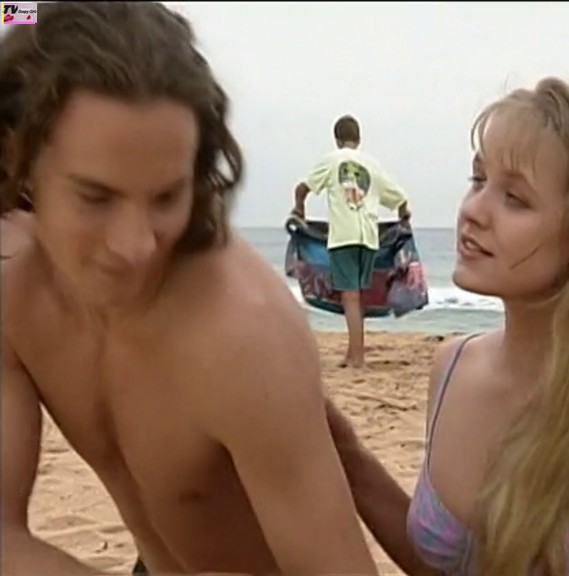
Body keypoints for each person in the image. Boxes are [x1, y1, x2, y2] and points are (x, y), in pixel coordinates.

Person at [0, 3, 379, 575]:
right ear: (18, 158)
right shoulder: (15, 293)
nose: (135, 245)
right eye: (96, 197)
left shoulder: (242, 334)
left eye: (166, 197)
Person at [326, 77, 569, 576]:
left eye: (515, 198)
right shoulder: (453, 367)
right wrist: (349, 459)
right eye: (478, 180)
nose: (472, 211)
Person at [292, 115, 412, 368]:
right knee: (356, 297)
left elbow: (302, 188)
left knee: (349, 296)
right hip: (369, 238)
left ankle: (357, 357)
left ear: (337, 139)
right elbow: (401, 200)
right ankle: (352, 353)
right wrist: (403, 220)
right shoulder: (372, 165)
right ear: (359, 138)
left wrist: (299, 209)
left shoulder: (332, 160)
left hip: (344, 236)